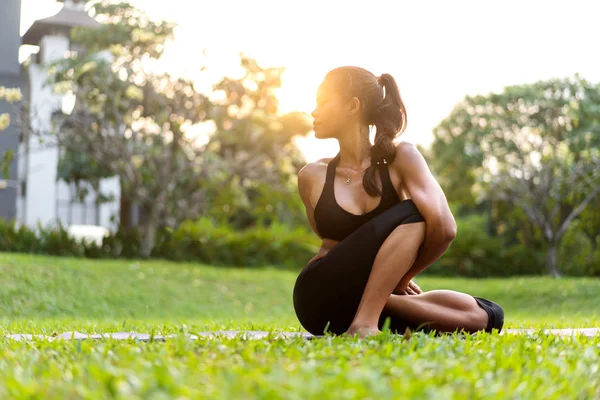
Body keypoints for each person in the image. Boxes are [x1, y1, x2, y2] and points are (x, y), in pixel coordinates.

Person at [292, 67, 504, 338]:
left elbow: (445, 228)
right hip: (318, 295)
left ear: (352, 106)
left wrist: (399, 280)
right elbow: (338, 246)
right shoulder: (311, 176)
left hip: (355, 302)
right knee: (415, 211)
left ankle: (370, 310)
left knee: (486, 316)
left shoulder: (401, 157)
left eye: (323, 102)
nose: (314, 111)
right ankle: (365, 324)